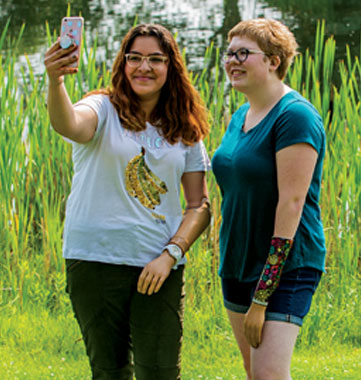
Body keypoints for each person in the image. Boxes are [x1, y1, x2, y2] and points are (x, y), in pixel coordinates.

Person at [44, 23, 211, 380]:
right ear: (122, 63)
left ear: (171, 67)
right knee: (109, 372)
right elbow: (70, 124)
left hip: (158, 265)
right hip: (94, 259)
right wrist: (55, 81)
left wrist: (171, 255)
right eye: (134, 58)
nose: (143, 67)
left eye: (155, 59)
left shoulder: (185, 127)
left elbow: (199, 205)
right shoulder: (102, 108)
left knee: (161, 373)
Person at [212, 18, 326, 380]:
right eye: (229, 53)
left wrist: (263, 295)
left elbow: (291, 204)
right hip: (238, 261)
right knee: (253, 371)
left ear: (274, 60)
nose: (232, 61)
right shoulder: (241, 115)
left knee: (269, 374)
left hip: (286, 266)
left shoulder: (295, 117)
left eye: (243, 53)